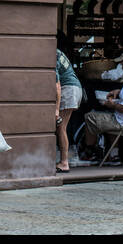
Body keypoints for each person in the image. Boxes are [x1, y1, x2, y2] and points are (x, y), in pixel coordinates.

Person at [54, 34, 82, 173]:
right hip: (75, 88)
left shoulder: (52, 55)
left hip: (68, 89)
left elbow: (57, 86)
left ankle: (64, 162)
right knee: (62, 127)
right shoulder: (58, 52)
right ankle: (64, 159)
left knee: (61, 127)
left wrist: (56, 110)